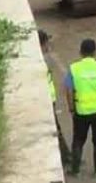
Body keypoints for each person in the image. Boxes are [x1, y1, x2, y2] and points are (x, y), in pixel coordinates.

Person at [64, 39, 96, 176]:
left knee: (78, 140)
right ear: (95, 52)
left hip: (81, 111)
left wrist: (71, 108)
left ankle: (75, 170)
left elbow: (68, 91)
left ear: (80, 52)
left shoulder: (74, 69)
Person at [39, 30, 72, 167]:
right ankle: (65, 158)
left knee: (56, 129)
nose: (48, 47)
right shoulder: (42, 61)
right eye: (46, 44)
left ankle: (66, 156)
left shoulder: (40, 60)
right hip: (46, 101)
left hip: (47, 99)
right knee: (55, 129)